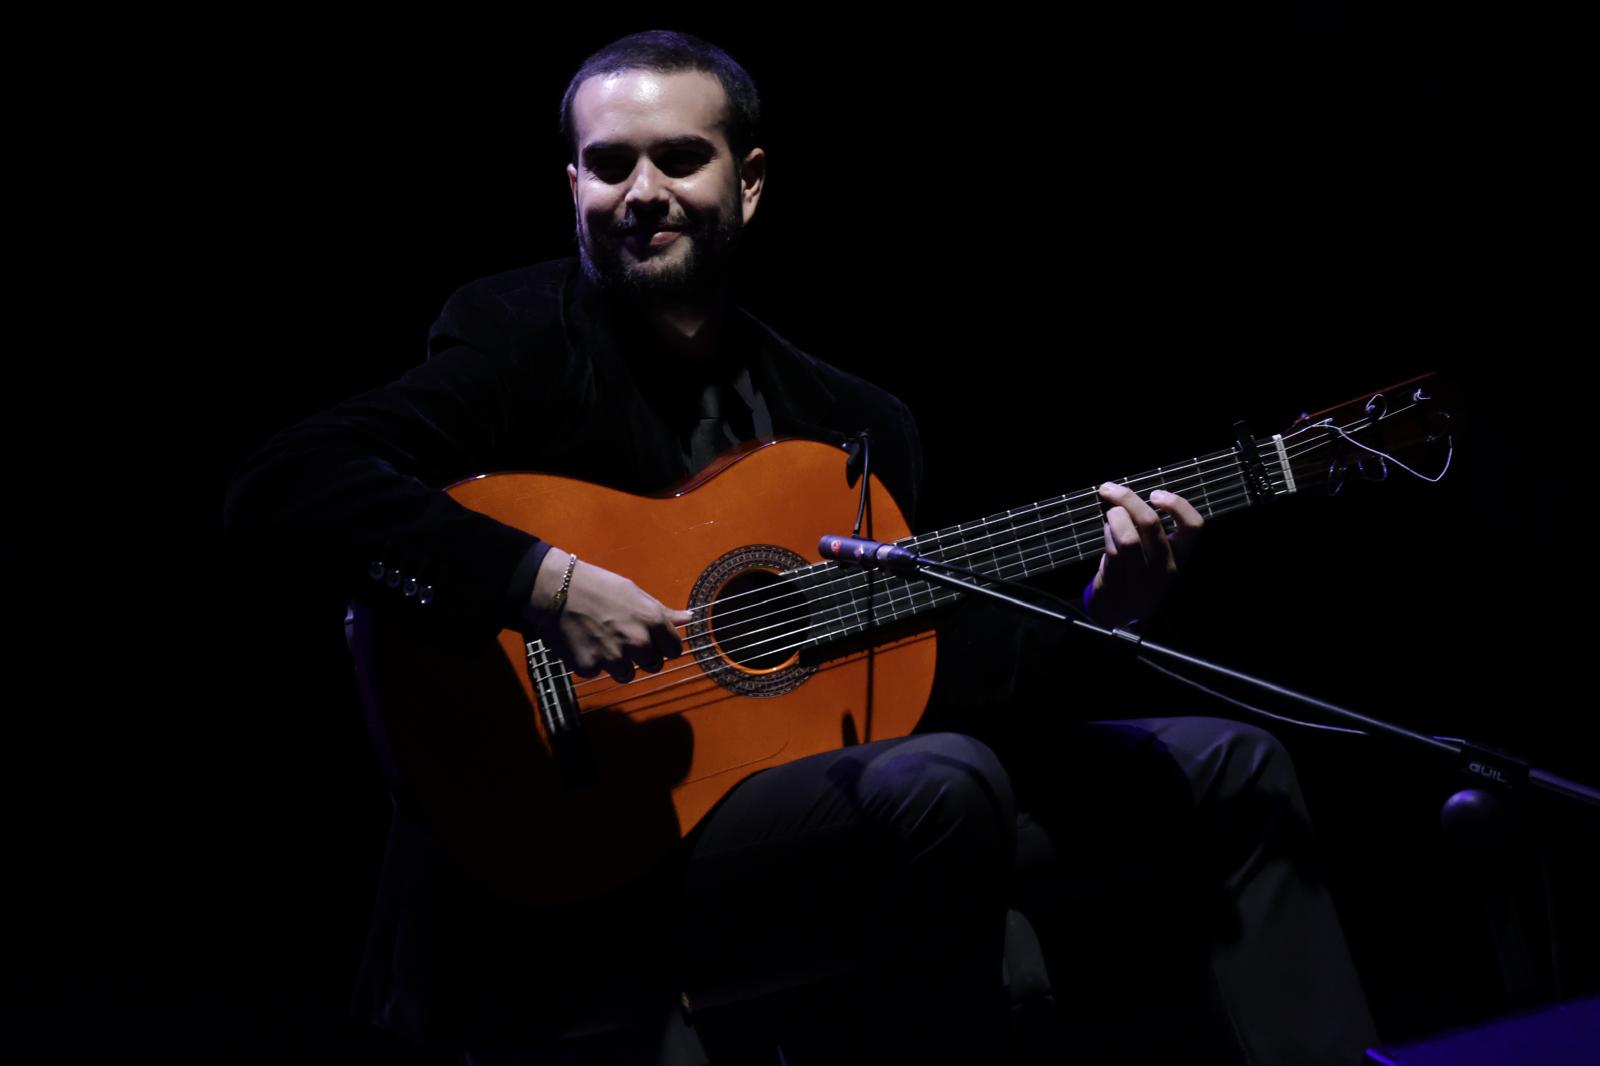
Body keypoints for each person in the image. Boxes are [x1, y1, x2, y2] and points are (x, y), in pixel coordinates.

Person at [225, 29, 1378, 1065]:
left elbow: (946, 678)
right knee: (940, 785)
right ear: (570, 184)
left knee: (1234, 767)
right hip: (600, 843)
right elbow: (290, 481)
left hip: (813, 818)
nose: (644, 191)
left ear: (750, 181)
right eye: (610, 163)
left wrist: (1107, 603)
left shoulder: (851, 420)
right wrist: (540, 580)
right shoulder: (518, 338)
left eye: (679, 158)